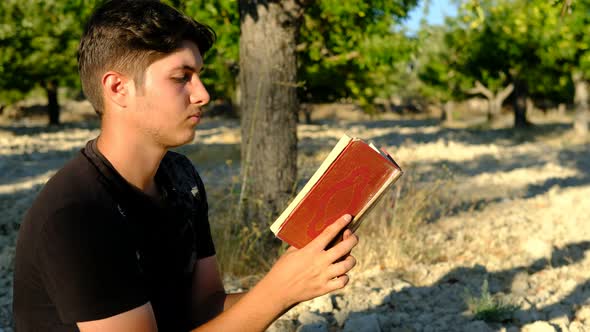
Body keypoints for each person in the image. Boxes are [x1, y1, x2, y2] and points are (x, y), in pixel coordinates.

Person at [12, 1, 359, 331]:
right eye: (182, 77)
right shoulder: (77, 214)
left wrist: (294, 277)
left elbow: (204, 307)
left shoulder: (180, 178)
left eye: (199, 75)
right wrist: (279, 292)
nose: (203, 94)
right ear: (118, 88)